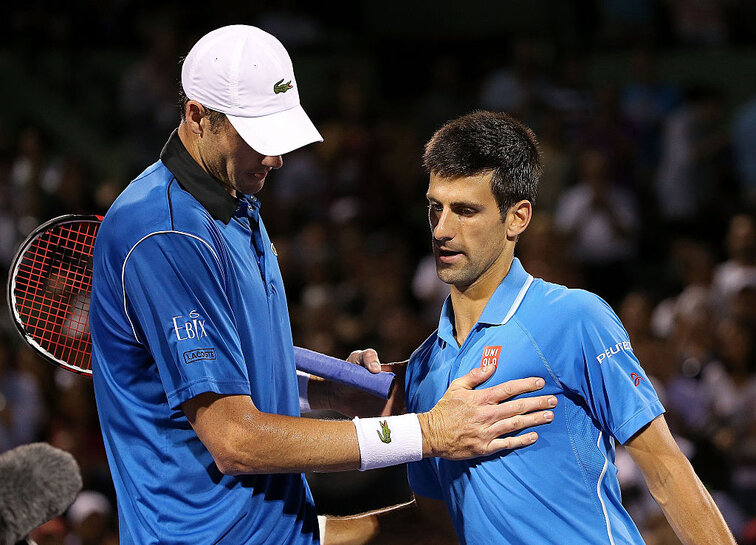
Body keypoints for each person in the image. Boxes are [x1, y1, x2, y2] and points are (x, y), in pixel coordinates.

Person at [89, 26, 556, 545]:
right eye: (257, 138)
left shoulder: (232, 198)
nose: (275, 159)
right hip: (208, 537)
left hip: (277, 524)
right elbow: (233, 438)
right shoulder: (163, 235)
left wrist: (321, 392)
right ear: (197, 116)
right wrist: (425, 433)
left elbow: (235, 372)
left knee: (441, 527)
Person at [361, 111, 737, 544]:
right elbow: (437, 523)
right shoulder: (424, 368)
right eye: (435, 207)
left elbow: (667, 470)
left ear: (518, 218)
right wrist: (317, 532)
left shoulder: (574, 317)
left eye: (465, 210)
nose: (442, 230)